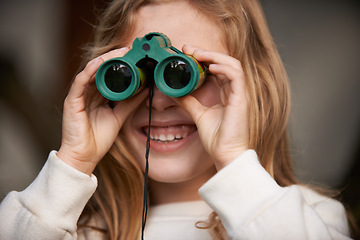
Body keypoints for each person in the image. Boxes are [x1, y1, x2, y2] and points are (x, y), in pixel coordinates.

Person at [0, 0, 352, 239]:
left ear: (250, 88)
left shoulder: (308, 217)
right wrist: (73, 162)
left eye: (183, 72)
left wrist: (234, 161)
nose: (163, 100)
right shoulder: (71, 229)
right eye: (134, 75)